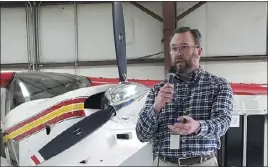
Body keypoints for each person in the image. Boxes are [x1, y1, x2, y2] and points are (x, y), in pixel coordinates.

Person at [135, 27, 234, 166]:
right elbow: (141, 135)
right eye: (174, 48)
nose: (178, 53)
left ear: (198, 51)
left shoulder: (218, 85)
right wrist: (156, 107)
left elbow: (223, 122)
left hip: (202, 162)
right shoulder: (158, 90)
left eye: (184, 47)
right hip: (164, 162)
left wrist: (198, 126)